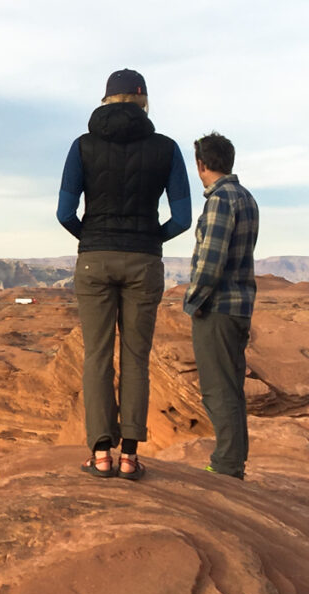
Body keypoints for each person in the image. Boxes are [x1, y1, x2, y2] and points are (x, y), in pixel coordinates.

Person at [57, 69, 191, 480]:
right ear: (143, 99)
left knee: (97, 356)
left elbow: (64, 213)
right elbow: (183, 218)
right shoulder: (166, 148)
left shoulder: (82, 146)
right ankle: (130, 456)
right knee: (136, 358)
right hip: (144, 262)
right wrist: (152, 239)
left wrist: (93, 239)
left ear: (107, 99)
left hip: (95, 260)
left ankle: (100, 455)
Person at [184, 132, 258, 480]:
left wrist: (194, 300)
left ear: (201, 165)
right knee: (231, 387)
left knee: (218, 388)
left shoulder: (220, 200)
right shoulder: (245, 197)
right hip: (240, 305)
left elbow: (211, 261)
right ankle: (234, 461)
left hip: (219, 309)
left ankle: (227, 466)